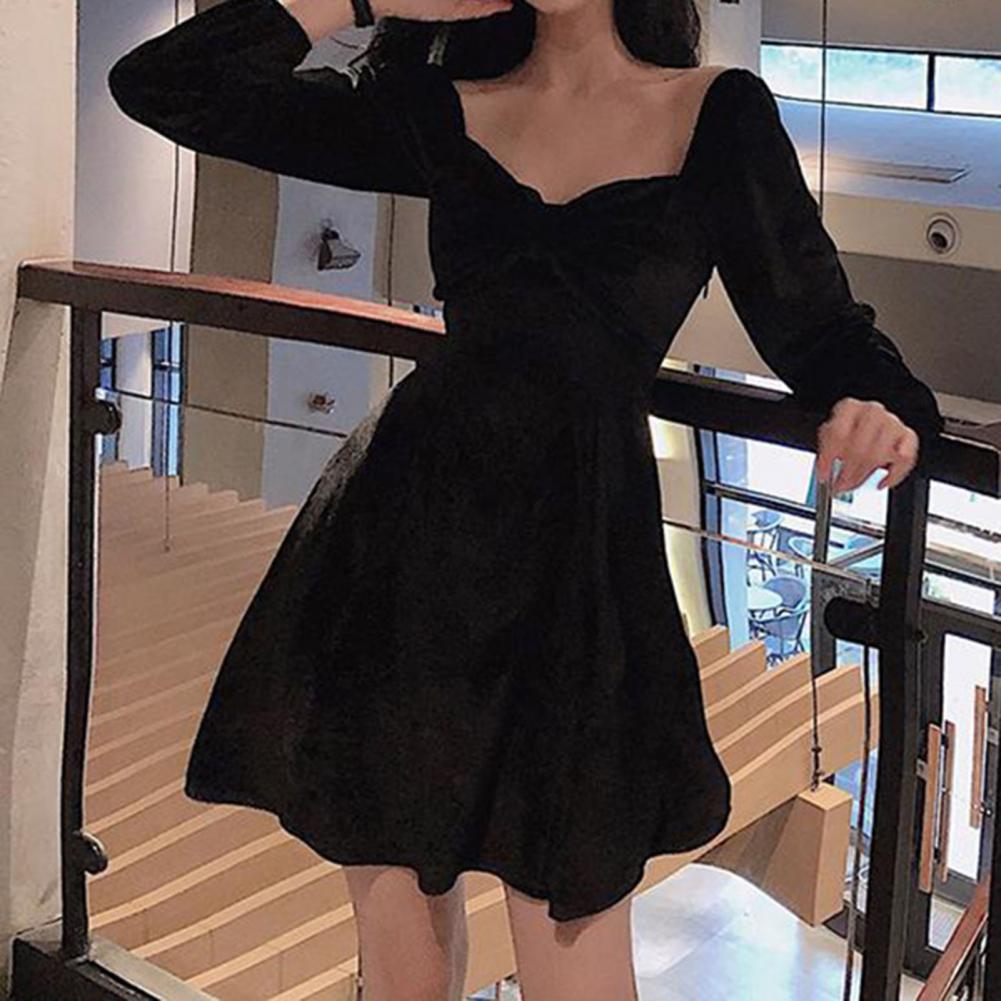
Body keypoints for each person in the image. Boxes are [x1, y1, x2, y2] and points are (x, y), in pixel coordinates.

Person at [107, 0, 945, 997]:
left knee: (571, 943)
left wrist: (881, 405)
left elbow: (817, 326)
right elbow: (169, 85)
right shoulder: (439, 105)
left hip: (577, 560)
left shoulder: (716, 114)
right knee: (399, 941)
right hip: (406, 538)